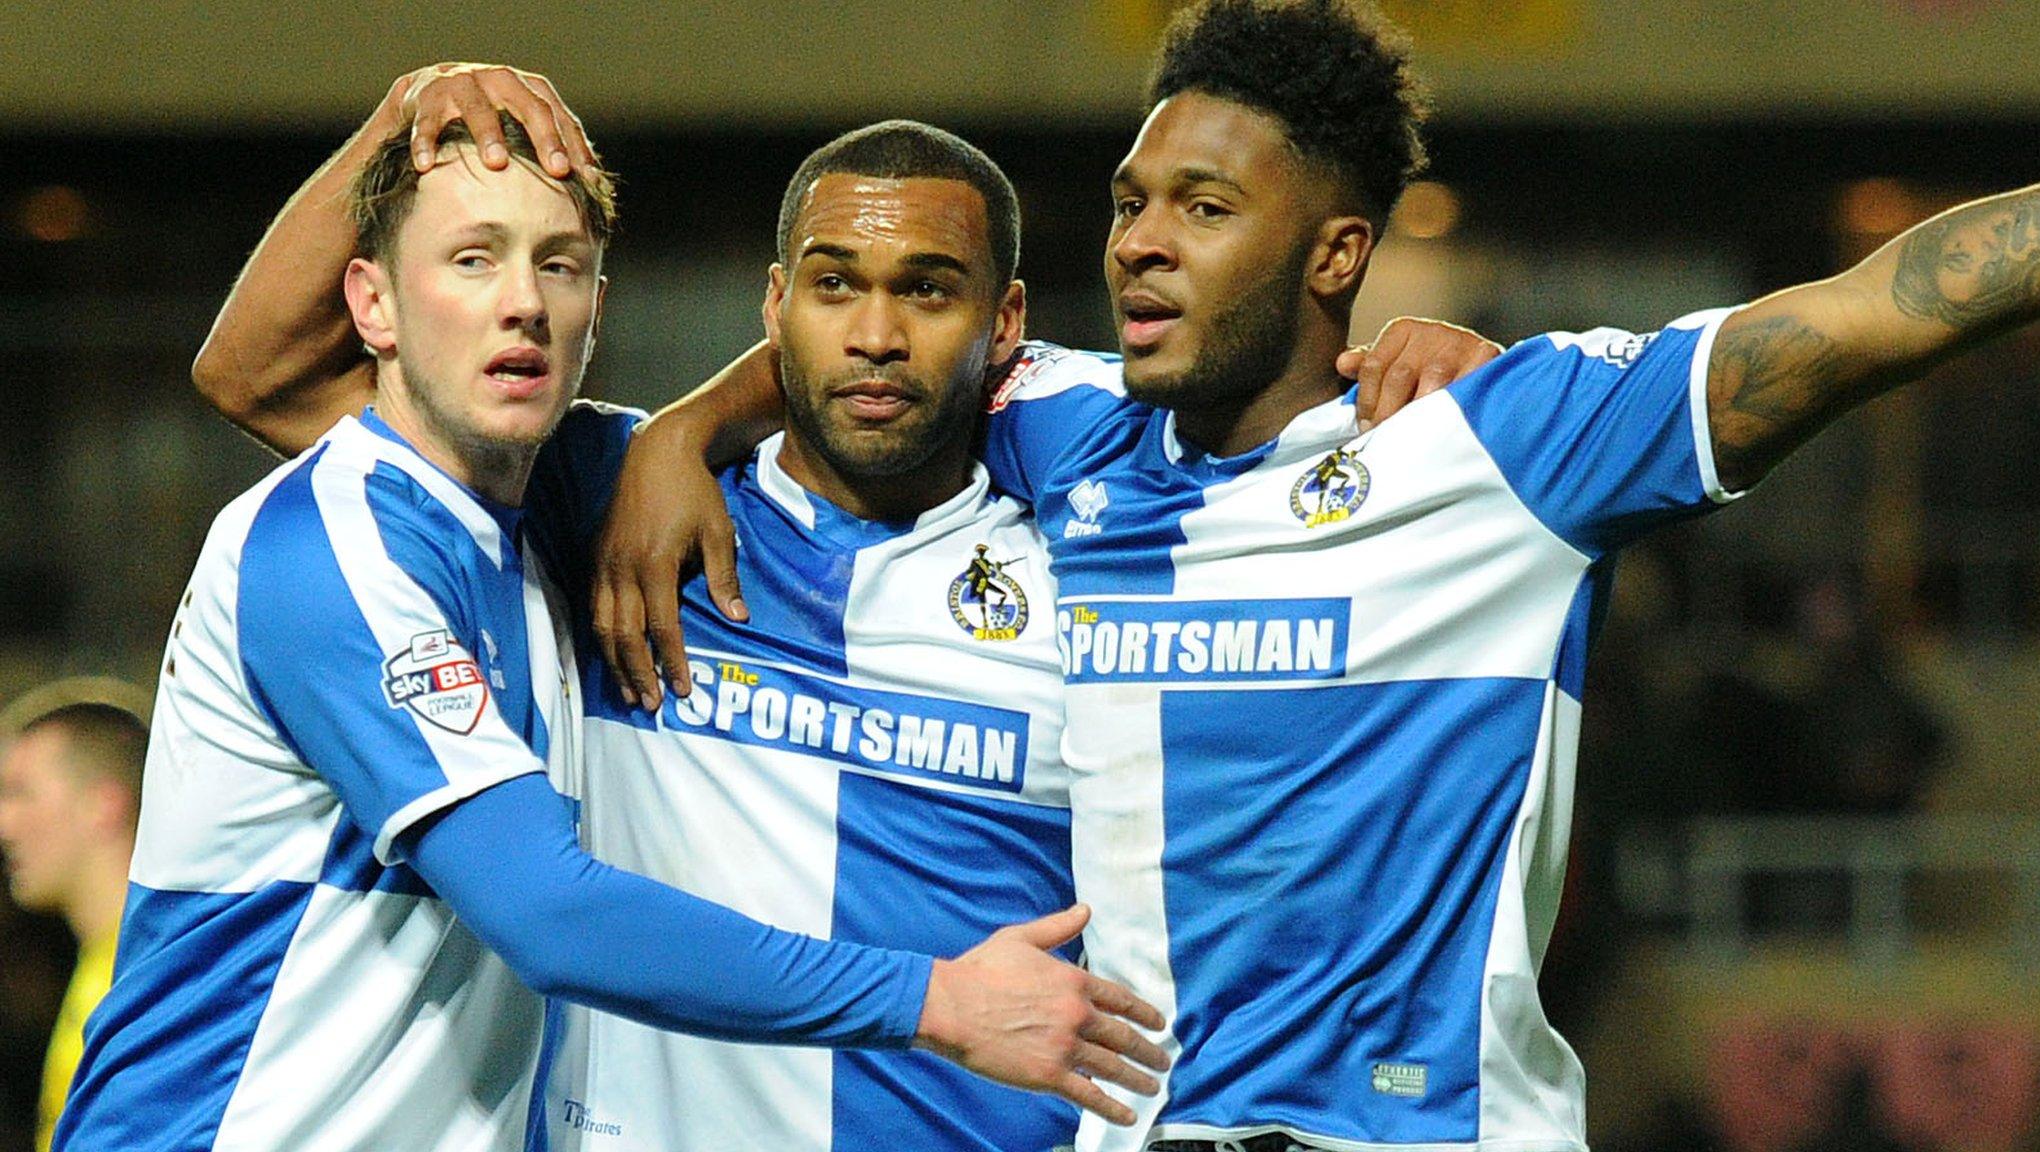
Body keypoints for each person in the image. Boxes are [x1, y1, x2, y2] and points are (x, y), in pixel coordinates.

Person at [596, 1, 2040, 1149]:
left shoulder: (1499, 447)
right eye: (1130, 200)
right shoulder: (1068, 429)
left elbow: (1873, 314)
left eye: (1206, 210)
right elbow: (877, 339)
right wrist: (682, 432)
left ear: (1339, 252)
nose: (1144, 243)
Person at [191, 72, 1491, 1145]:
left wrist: (1436, 387)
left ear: (1006, 327)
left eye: (927, 291)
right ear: (774, 307)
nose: (875, 333)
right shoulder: (599, 495)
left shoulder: (1101, 550)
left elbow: (1280, 443)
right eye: (832, 287)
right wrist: (407, 116)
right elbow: (261, 375)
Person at [62, 74, 1171, 1152]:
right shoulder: (387, 535)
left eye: (559, 266)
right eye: (470, 260)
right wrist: (410, 108)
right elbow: (546, 911)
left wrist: (681, 430)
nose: (521, 302)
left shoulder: (553, 501)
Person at [0, 680, 149, 1152]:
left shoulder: (144, 985)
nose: (3, 824)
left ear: (103, 803)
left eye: (20, 792)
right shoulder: (98, 968)